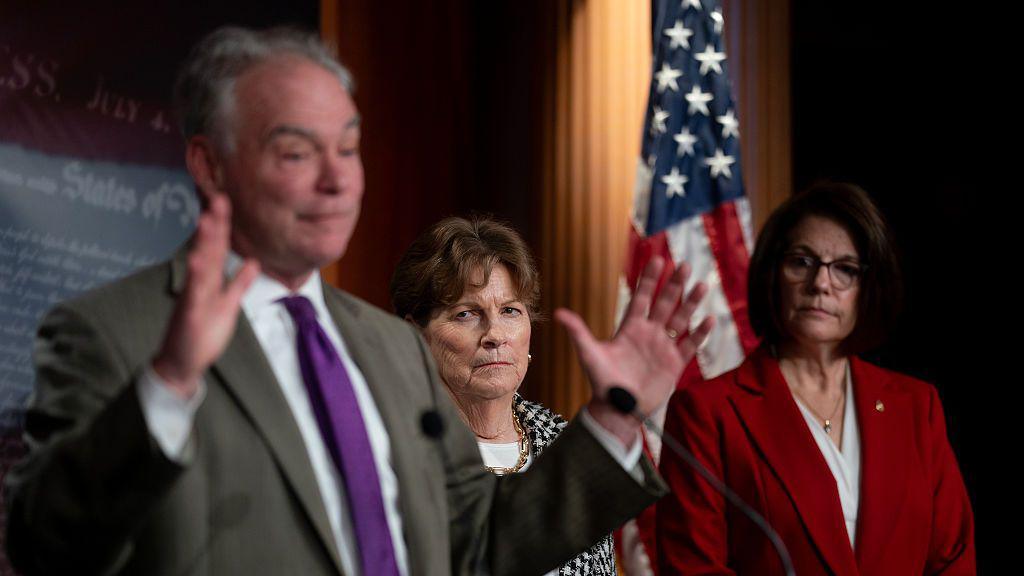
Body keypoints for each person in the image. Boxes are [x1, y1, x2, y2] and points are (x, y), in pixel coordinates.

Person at [4, 26, 714, 576]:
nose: (337, 181)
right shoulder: (109, 332)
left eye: (348, 148)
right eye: (296, 152)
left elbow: (482, 546)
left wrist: (613, 423)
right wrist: (167, 389)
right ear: (209, 165)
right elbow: (48, 553)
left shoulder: (390, 348)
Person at [655, 182, 976, 575]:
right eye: (802, 262)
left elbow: (954, 559)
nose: (821, 284)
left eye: (845, 269)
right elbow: (693, 568)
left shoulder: (916, 405)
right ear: (773, 273)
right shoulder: (707, 413)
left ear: (867, 288)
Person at [391, 216, 623, 575]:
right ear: (414, 336)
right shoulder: (394, 451)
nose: (495, 334)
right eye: (467, 314)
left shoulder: (563, 445)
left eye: (510, 311)